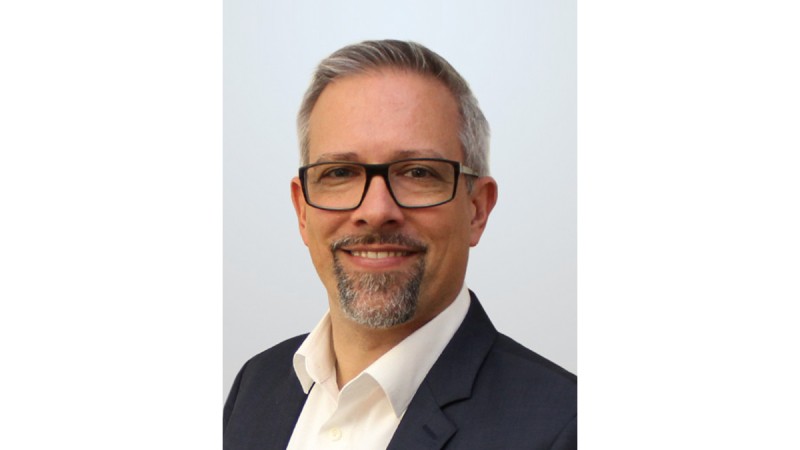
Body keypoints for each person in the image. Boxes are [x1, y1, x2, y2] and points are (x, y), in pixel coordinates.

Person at [223, 39, 576, 450]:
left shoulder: (566, 428)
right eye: (340, 172)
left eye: (418, 172)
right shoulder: (257, 386)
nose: (376, 211)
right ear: (303, 211)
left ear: (477, 209)